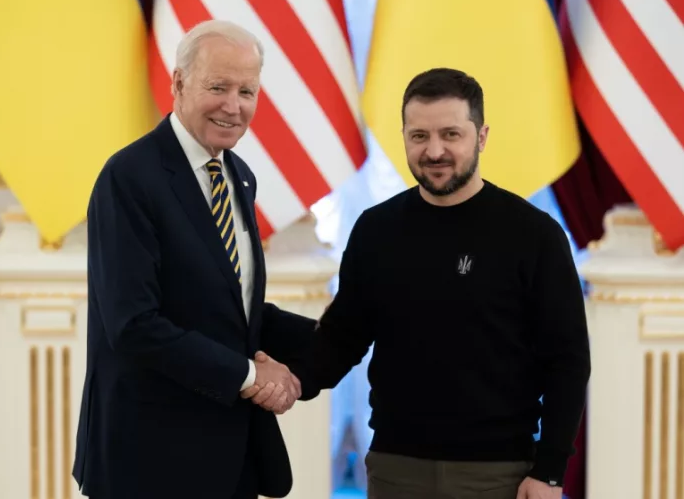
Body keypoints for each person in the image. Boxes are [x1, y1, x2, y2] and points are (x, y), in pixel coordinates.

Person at [245, 68, 591, 499]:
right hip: (395, 470)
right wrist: (290, 378)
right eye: (419, 136)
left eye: (451, 134)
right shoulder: (375, 230)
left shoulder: (533, 235)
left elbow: (568, 361)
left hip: (499, 475)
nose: (435, 150)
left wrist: (551, 471)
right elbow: (342, 339)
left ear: (481, 137)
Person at [72, 20, 317, 499]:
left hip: (228, 456)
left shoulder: (238, 175)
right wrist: (250, 376)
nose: (234, 105)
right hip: (148, 460)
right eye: (218, 86)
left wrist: (336, 332)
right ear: (179, 83)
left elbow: (231, 311)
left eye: (247, 90)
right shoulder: (129, 177)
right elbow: (134, 325)